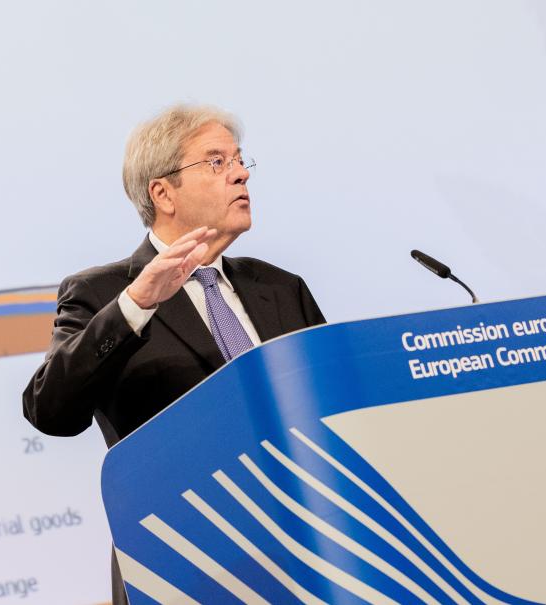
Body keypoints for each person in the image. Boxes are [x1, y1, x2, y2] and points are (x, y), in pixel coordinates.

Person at [22, 104, 326, 603]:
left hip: (308, 548)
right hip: (184, 562)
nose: (241, 173)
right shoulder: (104, 294)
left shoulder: (281, 288)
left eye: (239, 159)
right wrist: (136, 305)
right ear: (163, 193)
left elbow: (329, 406)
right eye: (217, 162)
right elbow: (50, 411)